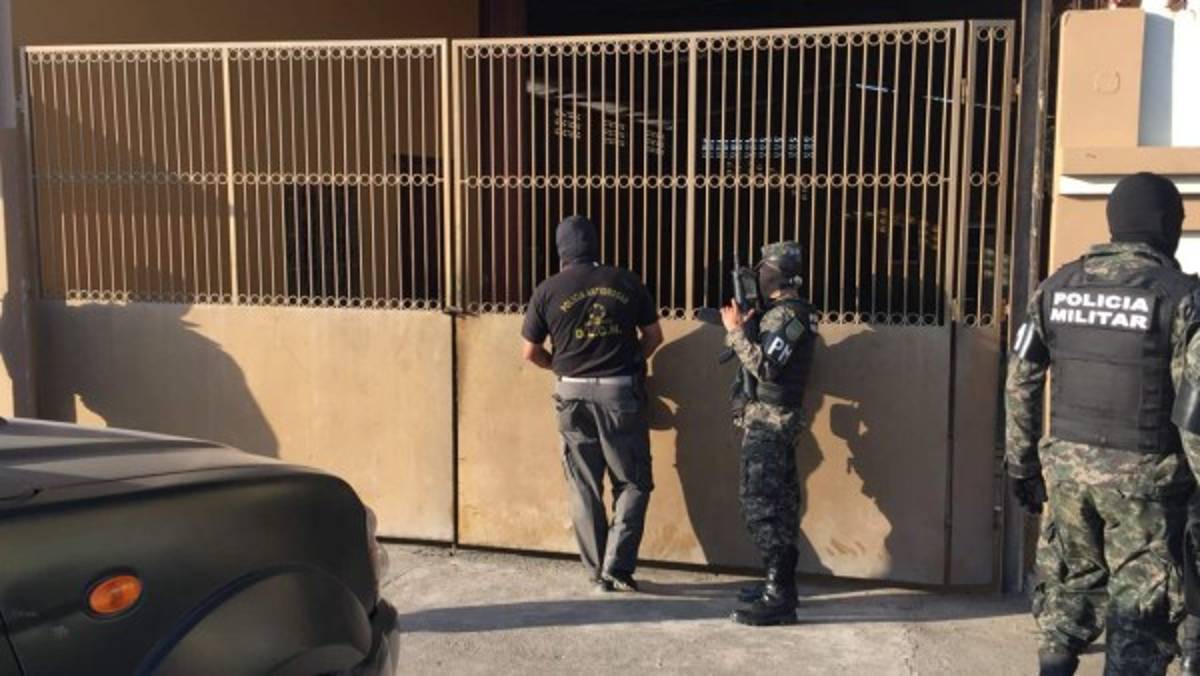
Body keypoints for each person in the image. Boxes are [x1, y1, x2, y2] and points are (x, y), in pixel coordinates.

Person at [1006, 172, 1199, 675]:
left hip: (1068, 475)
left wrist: (1021, 464)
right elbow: (1195, 410)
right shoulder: (1183, 296)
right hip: (1146, 484)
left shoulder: (1056, 288)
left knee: (1071, 588)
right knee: (1139, 619)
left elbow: (1021, 380)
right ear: (1167, 226)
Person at [521, 215, 664, 593]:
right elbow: (654, 336)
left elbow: (529, 352)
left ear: (561, 252)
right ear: (595, 244)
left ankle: (597, 572)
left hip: (570, 395)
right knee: (632, 481)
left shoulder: (547, 290)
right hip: (619, 394)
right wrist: (633, 360)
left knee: (583, 485)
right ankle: (618, 566)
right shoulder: (625, 281)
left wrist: (557, 366)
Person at [720, 241, 818, 626]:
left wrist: (735, 332)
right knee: (782, 505)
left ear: (773, 273)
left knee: (760, 504)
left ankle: (778, 596)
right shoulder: (785, 313)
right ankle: (779, 585)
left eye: (762, 270)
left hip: (770, 423)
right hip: (773, 420)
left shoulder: (789, 315)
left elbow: (767, 367)